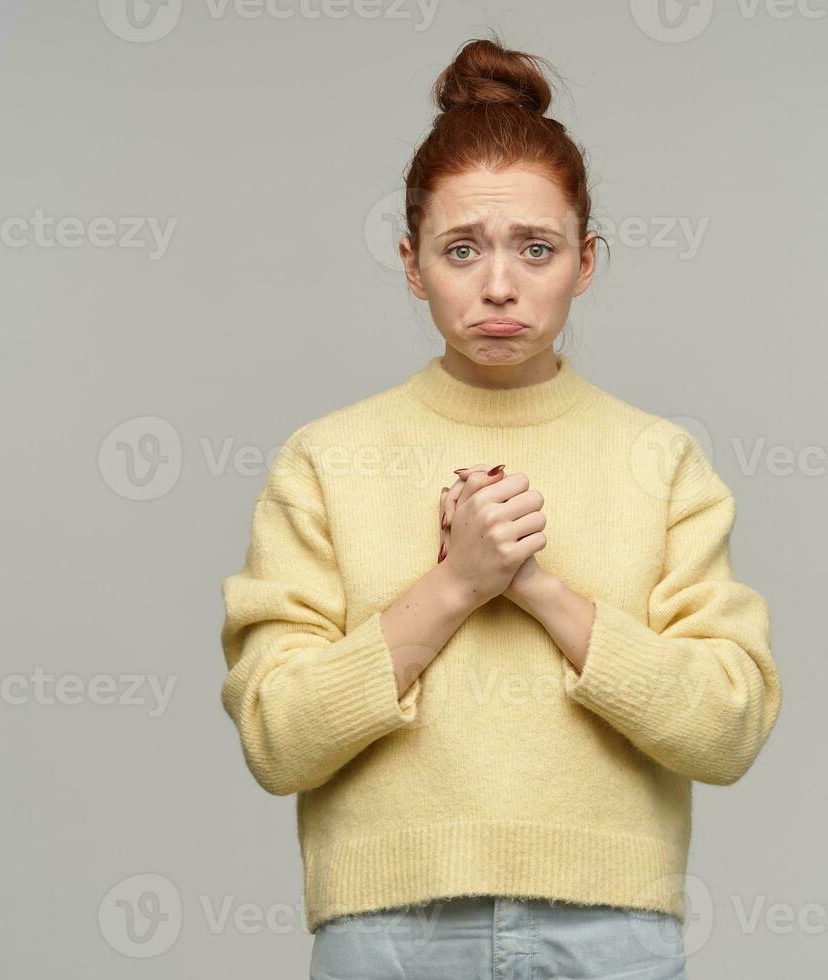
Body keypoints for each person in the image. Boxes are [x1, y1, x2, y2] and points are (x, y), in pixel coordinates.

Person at [219, 34, 782, 980]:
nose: (499, 285)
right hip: (386, 927)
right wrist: (457, 584)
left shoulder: (659, 458)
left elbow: (727, 729)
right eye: (461, 249)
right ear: (411, 262)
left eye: (536, 247)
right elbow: (277, 739)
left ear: (586, 261)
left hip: (612, 931)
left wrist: (539, 592)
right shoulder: (327, 458)